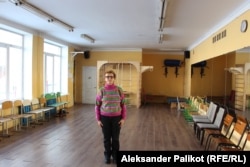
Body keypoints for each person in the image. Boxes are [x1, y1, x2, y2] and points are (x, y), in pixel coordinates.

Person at [95, 70, 127, 164]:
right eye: (107, 76)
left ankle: (116, 156)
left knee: (116, 139)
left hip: (117, 118)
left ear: (114, 78)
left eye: (111, 76)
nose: (109, 78)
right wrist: (98, 119)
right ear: (105, 78)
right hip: (104, 118)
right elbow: (97, 106)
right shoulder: (101, 91)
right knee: (106, 139)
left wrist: (123, 118)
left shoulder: (119, 90)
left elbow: (123, 105)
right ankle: (107, 155)